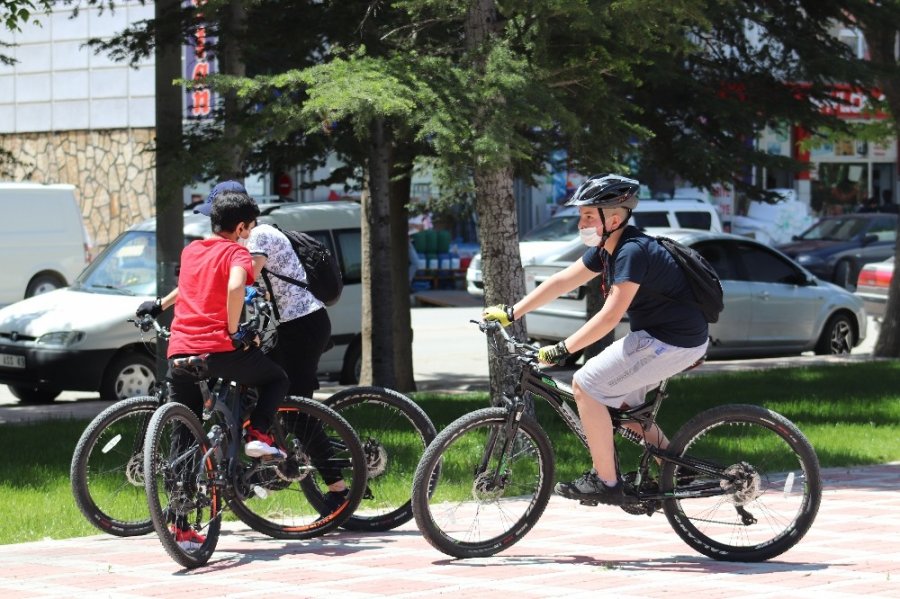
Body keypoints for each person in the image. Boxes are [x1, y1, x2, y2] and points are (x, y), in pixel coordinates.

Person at [482, 174, 709, 505]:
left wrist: (561, 349)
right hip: (660, 338)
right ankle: (677, 469)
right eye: (581, 216)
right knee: (627, 411)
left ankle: (606, 481)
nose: (581, 223)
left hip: (671, 342)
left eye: (588, 216)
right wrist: (512, 311)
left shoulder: (633, 251)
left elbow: (609, 316)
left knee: (585, 384)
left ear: (613, 219)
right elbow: (562, 280)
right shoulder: (607, 249)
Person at [138, 187, 289, 548]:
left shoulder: (192, 251)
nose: (250, 233)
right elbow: (236, 287)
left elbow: (188, 290)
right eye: (250, 227)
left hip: (179, 354)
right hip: (217, 351)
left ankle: (181, 527)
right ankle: (259, 436)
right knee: (275, 379)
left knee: (184, 437)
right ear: (239, 227)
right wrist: (234, 330)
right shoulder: (237, 251)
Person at [244, 219, 349, 506]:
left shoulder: (258, 235)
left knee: (295, 411)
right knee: (259, 384)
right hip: (293, 327)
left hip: (303, 327)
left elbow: (245, 279)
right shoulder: (259, 236)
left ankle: (339, 491)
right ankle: (268, 467)